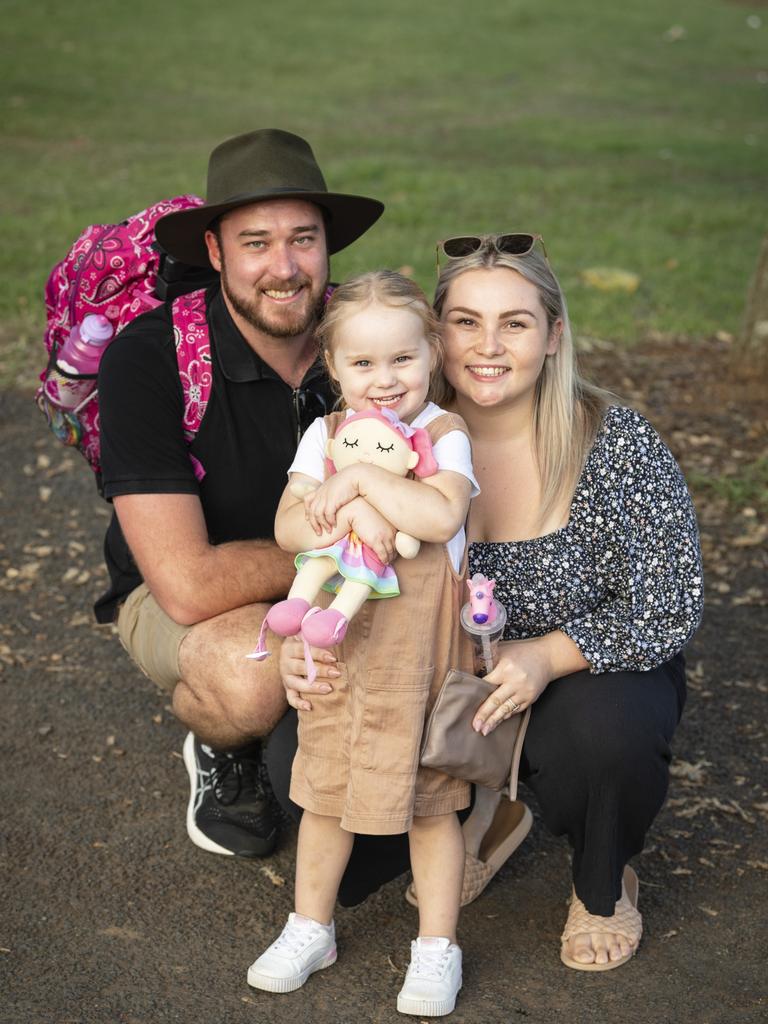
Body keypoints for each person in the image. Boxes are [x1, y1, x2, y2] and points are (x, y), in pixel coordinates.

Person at [279, 233, 703, 974]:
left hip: (584, 674)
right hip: (434, 674)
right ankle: (492, 811)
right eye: (466, 321)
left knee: (607, 735)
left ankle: (604, 884)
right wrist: (305, 638)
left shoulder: (615, 440)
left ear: (554, 335)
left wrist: (544, 656)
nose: (489, 344)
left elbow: (670, 598)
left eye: (515, 322)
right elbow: (327, 549)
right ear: (435, 335)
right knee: (308, 785)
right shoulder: (394, 438)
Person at [95, 129, 384, 859]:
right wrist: (348, 556)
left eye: (303, 240)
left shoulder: (370, 342)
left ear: (328, 246)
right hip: (191, 593)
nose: (284, 269)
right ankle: (221, 744)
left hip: (355, 576)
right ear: (216, 252)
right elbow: (188, 586)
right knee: (250, 679)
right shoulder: (149, 360)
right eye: (255, 242)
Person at [247, 271, 478, 1017]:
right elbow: (289, 526)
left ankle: (437, 945)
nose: (385, 380)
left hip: (424, 665)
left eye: (403, 360)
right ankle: (310, 926)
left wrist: (356, 488)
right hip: (341, 655)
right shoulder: (325, 432)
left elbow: (438, 518)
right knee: (322, 795)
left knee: (431, 807)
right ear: (333, 365)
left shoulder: (445, 435)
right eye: (364, 364)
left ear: (432, 354)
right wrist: (350, 493)